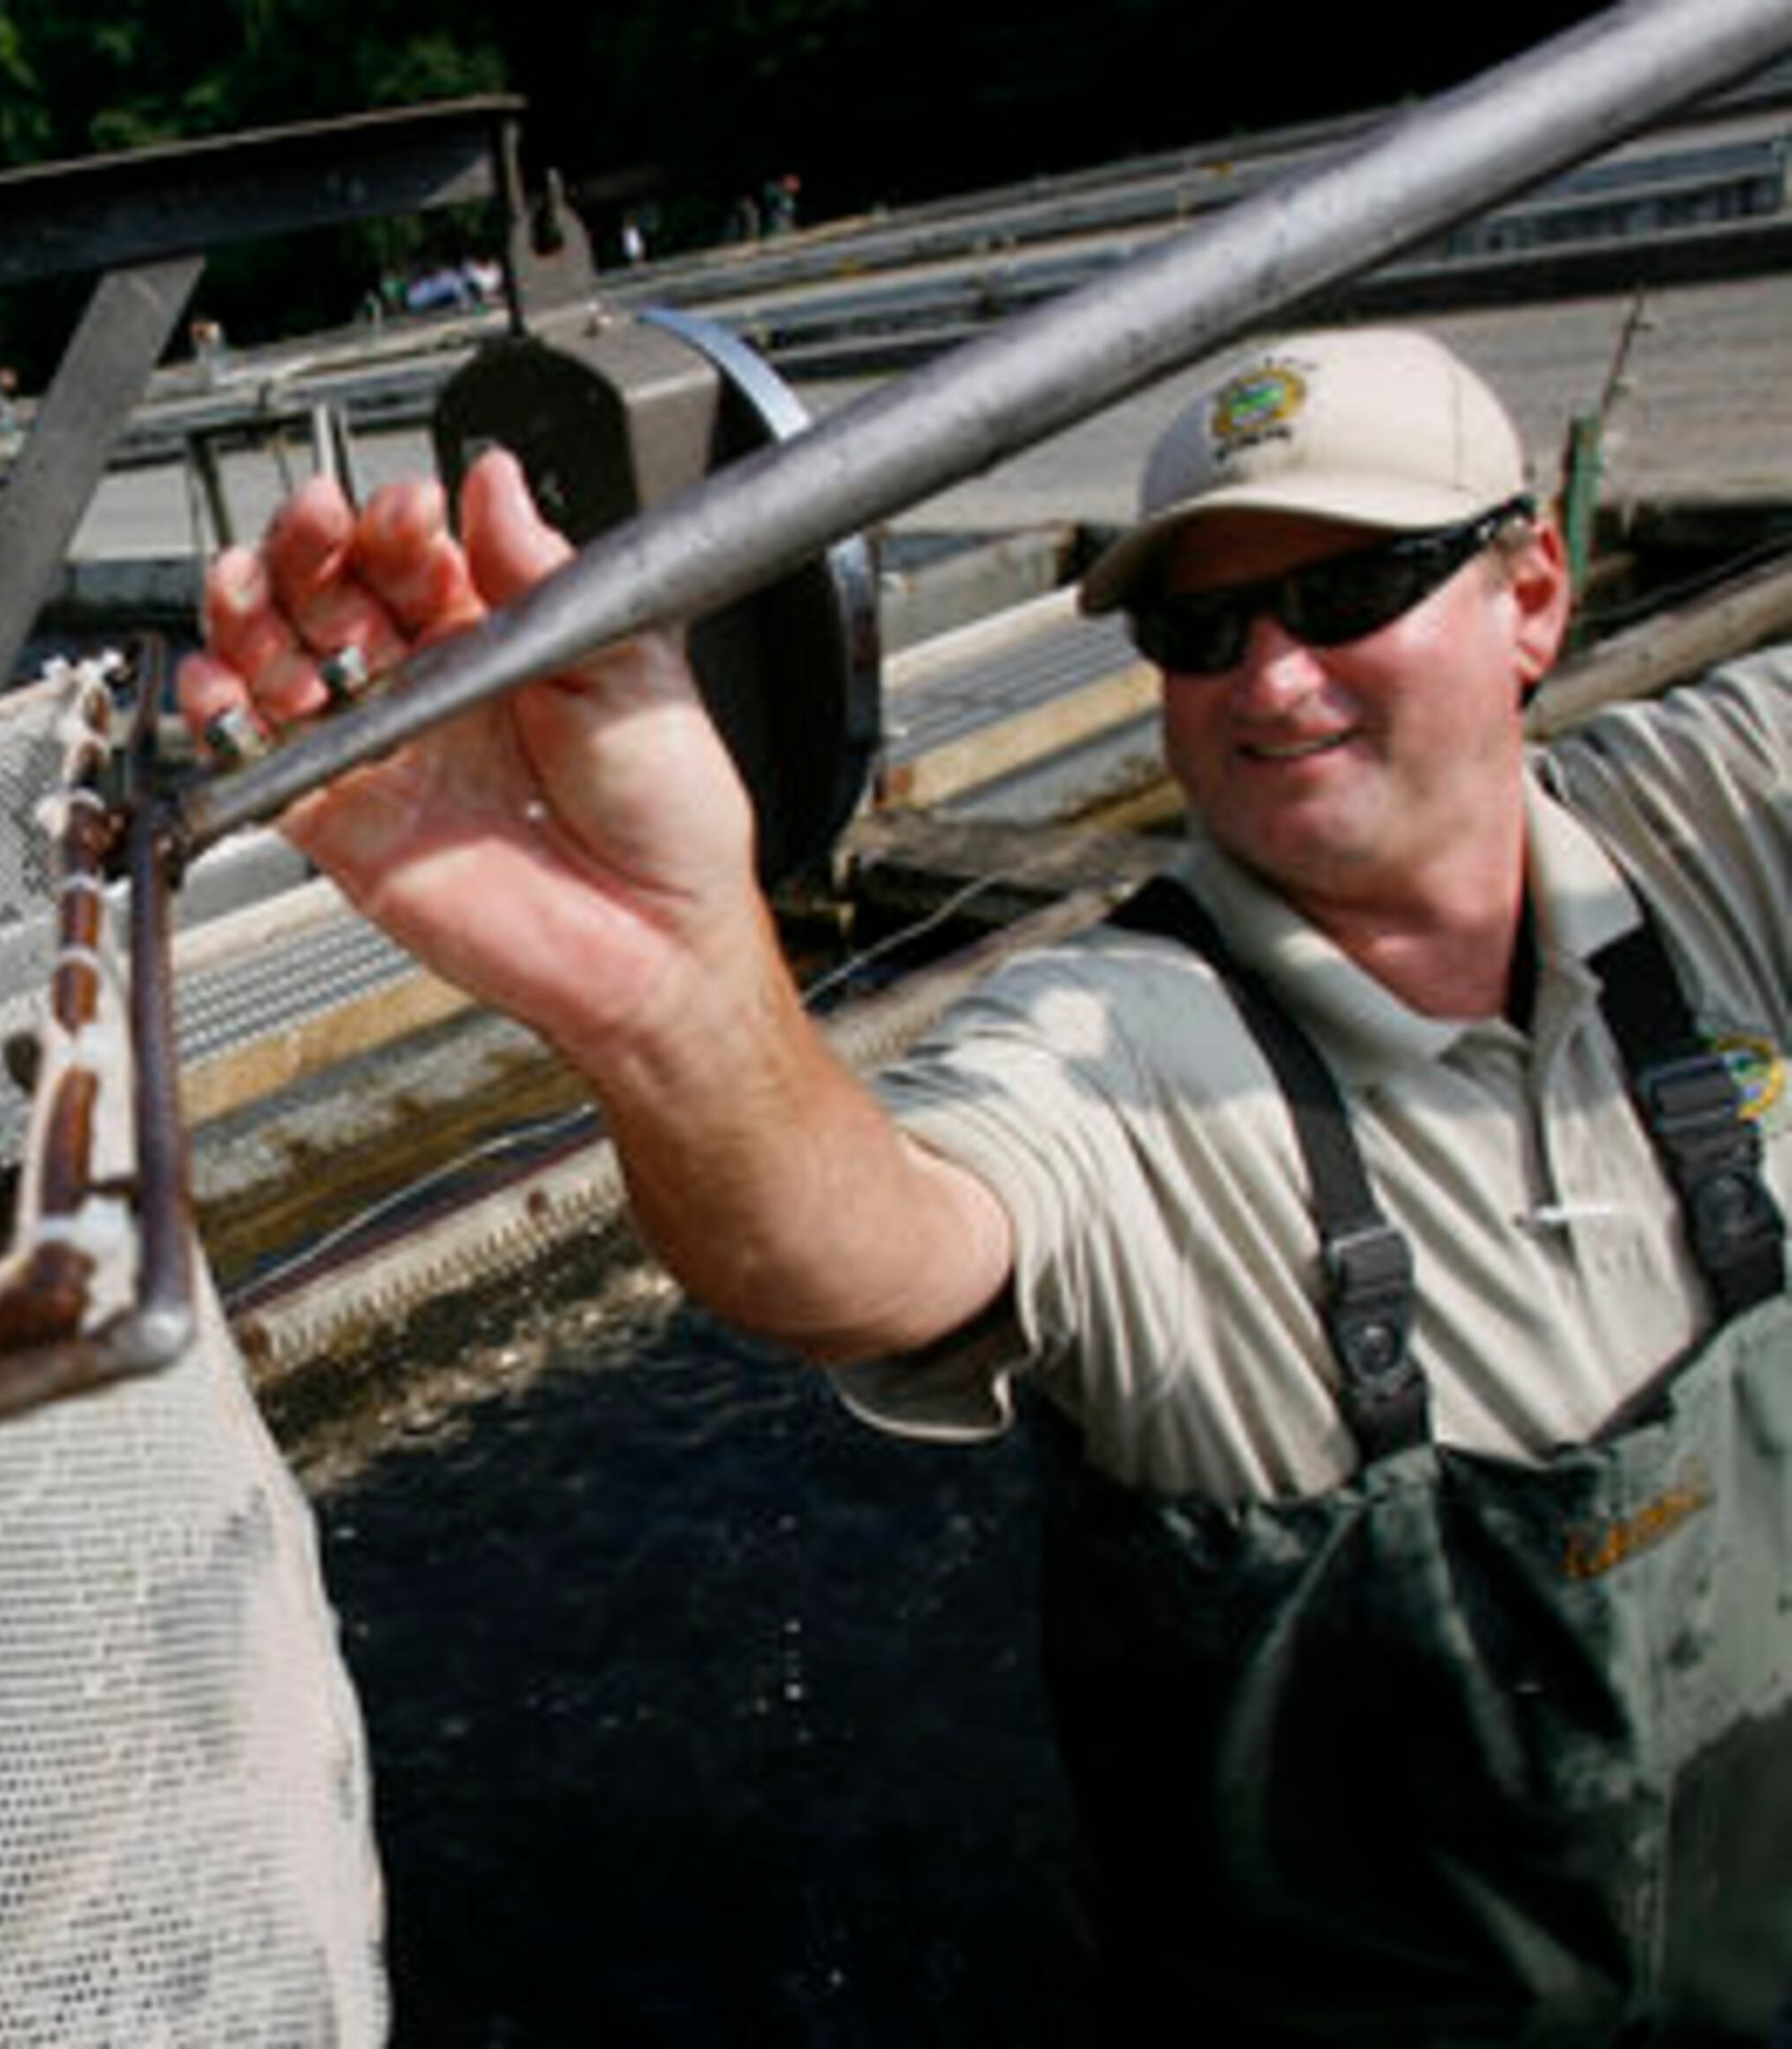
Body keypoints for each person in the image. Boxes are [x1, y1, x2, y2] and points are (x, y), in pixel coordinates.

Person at [184, 326, 1792, 2039]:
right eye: (1197, 627)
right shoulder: (1120, 1046)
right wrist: (674, 1004)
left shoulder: (1709, 825)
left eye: (1348, 589)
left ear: (1533, 591)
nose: (1269, 678)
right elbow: (863, 1247)